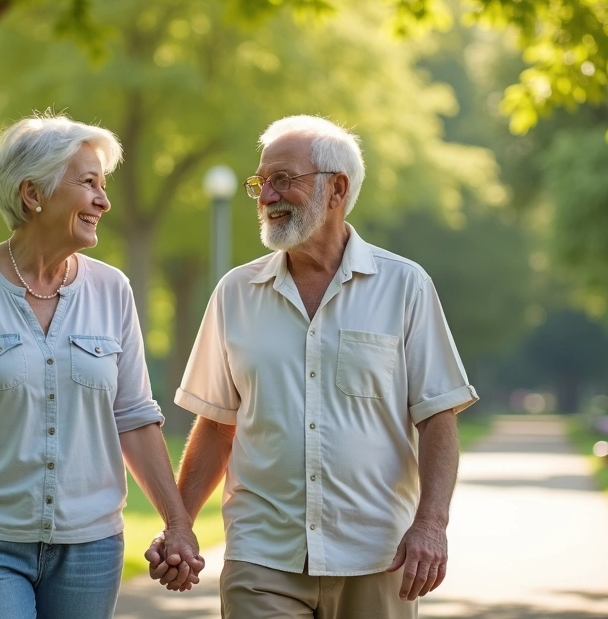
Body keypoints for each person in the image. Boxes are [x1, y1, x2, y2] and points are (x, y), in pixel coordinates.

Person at [147, 115, 478, 618]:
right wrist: (179, 527)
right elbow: (216, 425)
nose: (267, 196)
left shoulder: (405, 287)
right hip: (262, 555)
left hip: (378, 555)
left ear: (337, 189)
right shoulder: (236, 293)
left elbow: (437, 417)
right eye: (261, 182)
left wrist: (431, 525)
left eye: (283, 179)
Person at [0, 113, 202, 619]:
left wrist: (178, 524)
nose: (103, 201)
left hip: (91, 548)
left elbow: (134, 416)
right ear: (33, 194)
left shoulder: (113, 289)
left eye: (103, 186)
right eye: (88, 183)